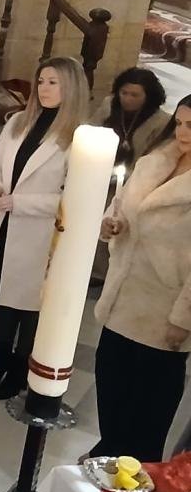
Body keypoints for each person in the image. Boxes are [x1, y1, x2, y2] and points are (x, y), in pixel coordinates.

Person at [0, 57, 86, 400]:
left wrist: (20, 203)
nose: (45, 89)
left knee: (29, 305)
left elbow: (74, 199)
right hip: (5, 224)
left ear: (71, 87)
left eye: (54, 82)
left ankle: (19, 369)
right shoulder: (19, 122)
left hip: (39, 235)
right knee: (6, 299)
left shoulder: (77, 137)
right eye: (41, 81)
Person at [89, 97, 191, 463]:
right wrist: (112, 225)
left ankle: (135, 460)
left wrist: (183, 319)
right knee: (111, 376)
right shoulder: (156, 162)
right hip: (124, 294)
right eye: (179, 123)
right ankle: (110, 445)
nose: (182, 132)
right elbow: (123, 204)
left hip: (164, 307)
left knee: (149, 396)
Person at [96, 66, 171, 168]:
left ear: (148, 96)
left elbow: (156, 156)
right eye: (124, 93)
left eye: (134, 95)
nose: (127, 99)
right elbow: (91, 129)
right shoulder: (108, 106)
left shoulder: (160, 121)